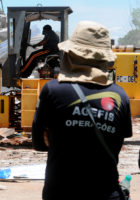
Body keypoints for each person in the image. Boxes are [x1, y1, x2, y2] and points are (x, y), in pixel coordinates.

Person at [32, 21, 132, 200]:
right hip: (107, 194)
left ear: (70, 54)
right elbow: (116, 144)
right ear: (104, 59)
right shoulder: (120, 96)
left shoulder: (52, 90)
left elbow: (39, 143)